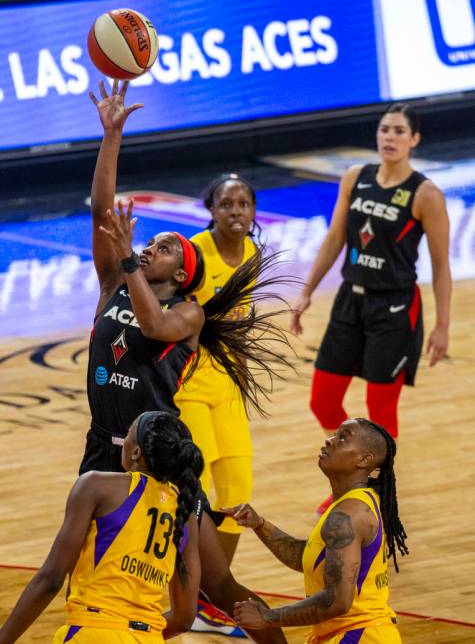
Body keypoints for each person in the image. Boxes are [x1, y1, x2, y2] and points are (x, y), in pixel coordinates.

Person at [81, 79, 289, 643]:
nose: (153, 245)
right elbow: (103, 208)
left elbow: (152, 327)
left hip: (161, 459)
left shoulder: (188, 315)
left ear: (181, 275)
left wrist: (129, 259)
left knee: (218, 588)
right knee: (83, 573)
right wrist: (111, 136)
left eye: (167, 246)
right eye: (152, 243)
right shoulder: (113, 283)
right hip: (105, 445)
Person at [290, 103, 451, 513]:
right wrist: (307, 290)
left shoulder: (426, 194)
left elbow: (441, 264)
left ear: (414, 139)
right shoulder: (355, 178)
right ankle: (354, 473)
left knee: (381, 412)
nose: (389, 137)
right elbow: (334, 237)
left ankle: (377, 495)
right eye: (384, 130)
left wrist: (442, 327)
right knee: (322, 401)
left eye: (399, 131)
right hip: (350, 300)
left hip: (395, 309)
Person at [0, 411, 204, 643]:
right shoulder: (185, 513)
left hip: (93, 631)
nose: (123, 440)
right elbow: (184, 619)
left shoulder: (97, 486)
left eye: (128, 433)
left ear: (136, 452)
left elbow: (51, 580)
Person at [225, 418, 408, 644]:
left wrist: (268, 617)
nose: (329, 440)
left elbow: (338, 601)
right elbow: (310, 559)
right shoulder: (352, 504)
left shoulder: (348, 515)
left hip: (358, 635)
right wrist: (260, 524)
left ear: (364, 459)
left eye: (343, 438)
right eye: (335, 434)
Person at [176, 172, 261, 566]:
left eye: (243, 204)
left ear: (253, 210)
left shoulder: (253, 255)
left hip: (226, 383)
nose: (235, 212)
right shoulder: (193, 252)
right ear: (211, 209)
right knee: (196, 490)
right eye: (226, 204)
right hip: (188, 383)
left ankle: (214, 590)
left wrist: (242, 379)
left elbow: (241, 322)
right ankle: (184, 583)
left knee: (237, 490)